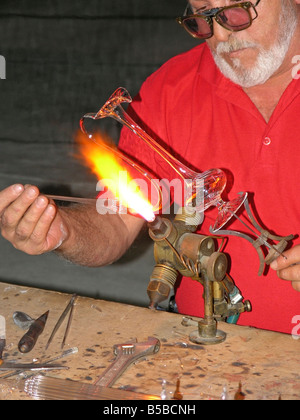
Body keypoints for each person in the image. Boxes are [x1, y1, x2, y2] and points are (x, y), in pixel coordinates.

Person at [0, 0, 299, 335]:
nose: (221, 34)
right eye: (202, 19)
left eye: (237, 12)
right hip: (209, 349)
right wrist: (64, 232)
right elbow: (116, 221)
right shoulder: (171, 89)